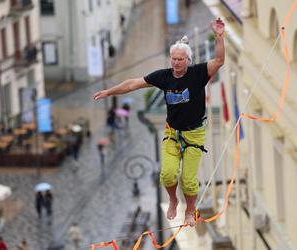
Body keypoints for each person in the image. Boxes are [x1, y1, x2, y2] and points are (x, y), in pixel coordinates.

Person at [93, 18, 225, 226]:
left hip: (194, 133)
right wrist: (109, 92)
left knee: (189, 181)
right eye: (173, 59)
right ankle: (173, 200)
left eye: (180, 59)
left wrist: (218, 36)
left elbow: (218, 61)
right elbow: (133, 84)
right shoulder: (164, 77)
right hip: (172, 133)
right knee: (168, 174)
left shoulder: (198, 74)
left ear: (188, 60)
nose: (176, 63)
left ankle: (190, 210)